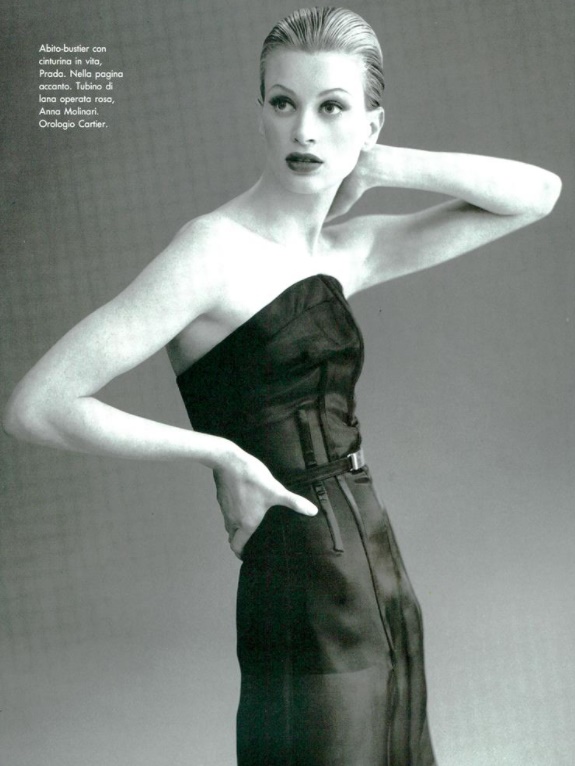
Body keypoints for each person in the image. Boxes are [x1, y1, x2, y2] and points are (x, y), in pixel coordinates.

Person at [3, 6, 561, 765]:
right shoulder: (210, 252)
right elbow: (37, 405)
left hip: (376, 563)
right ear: (260, 111)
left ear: (368, 122)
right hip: (297, 574)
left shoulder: (344, 252)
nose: (303, 131)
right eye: (283, 102)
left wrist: (380, 163)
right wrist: (221, 455)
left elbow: (537, 193)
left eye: (331, 107)